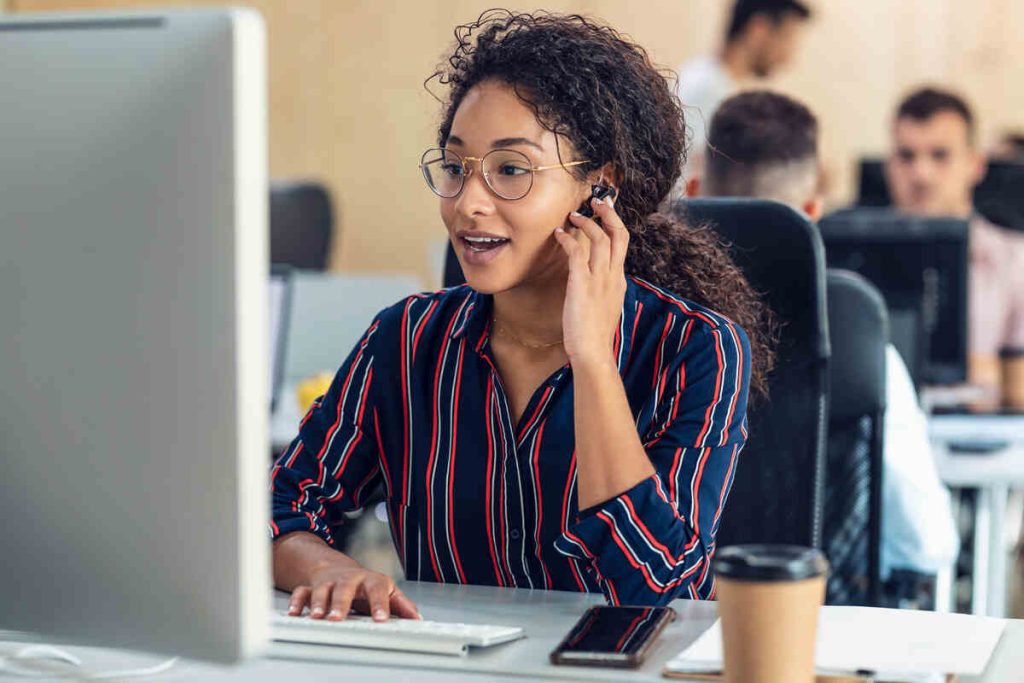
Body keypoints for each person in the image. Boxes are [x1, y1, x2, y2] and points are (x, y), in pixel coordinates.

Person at [271, 10, 773, 622]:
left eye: (511, 170)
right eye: (456, 168)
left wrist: (591, 357)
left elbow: (656, 584)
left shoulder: (697, 348)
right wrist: (331, 568)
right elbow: (280, 506)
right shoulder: (407, 339)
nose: (468, 204)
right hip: (455, 668)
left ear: (601, 189)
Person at [689, 90, 959, 587]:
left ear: (694, 191)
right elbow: (927, 543)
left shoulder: (630, 319)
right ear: (812, 211)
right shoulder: (855, 333)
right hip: (808, 627)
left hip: (657, 611)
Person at [886, 87, 1024, 409]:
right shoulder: (851, 259)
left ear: (975, 164)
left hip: (982, 448)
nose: (921, 174)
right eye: (906, 156)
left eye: (940, 155)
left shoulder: (1017, 260)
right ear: (889, 165)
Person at [675, 0, 811, 178]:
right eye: (786, 38)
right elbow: (698, 173)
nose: (788, 56)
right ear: (759, 29)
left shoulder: (718, 85)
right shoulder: (706, 86)